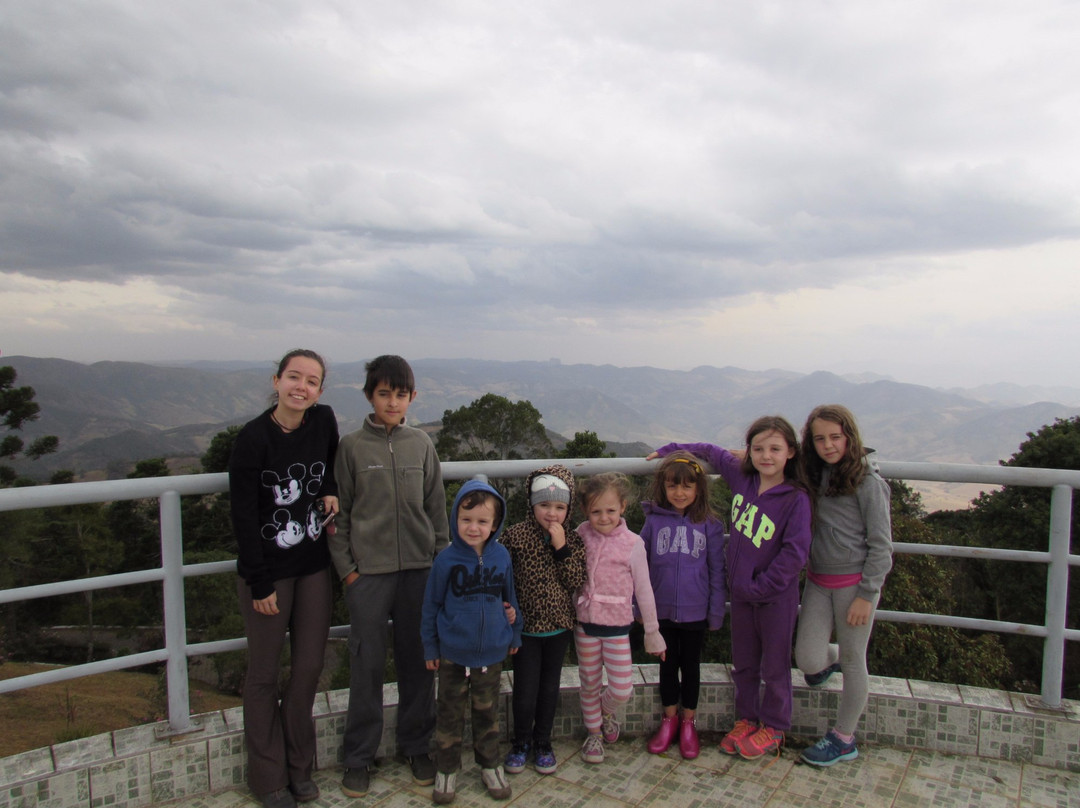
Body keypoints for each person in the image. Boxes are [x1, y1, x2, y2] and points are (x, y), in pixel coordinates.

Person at [649, 415, 811, 760]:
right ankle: (747, 719)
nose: (766, 456)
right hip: (741, 596)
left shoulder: (795, 499)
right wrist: (670, 450)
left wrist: (761, 586)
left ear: (791, 453)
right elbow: (710, 450)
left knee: (775, 665)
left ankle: (775, 726)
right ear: (749, 452)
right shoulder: (742, 478)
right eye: (758, 448)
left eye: (775, 449)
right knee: (745, 663)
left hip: (775, 599)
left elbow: (795, 552)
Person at [329, 355, 450, 797]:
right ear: (369, 396)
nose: (392, 401)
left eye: (400, 394)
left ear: (412, 397)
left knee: (420, 663)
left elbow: (437, 511)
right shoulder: (352, 447)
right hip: (369, 577)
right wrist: (349, 573)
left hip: (420, 573)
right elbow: (338, 516)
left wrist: (439, 565)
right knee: (366, 667)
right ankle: (358, 757)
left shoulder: (422, 445)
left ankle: (418, 747)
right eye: (384, 393)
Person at [229, 349, 340, 808]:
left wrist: (330, 488)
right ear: (276, 381)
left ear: (320, 390)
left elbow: (330, 466)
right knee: (264, 674)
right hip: (269, 574)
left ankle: (300, 767)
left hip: (314, 566)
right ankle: (268, 777)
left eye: (311, 381)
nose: (302, 387)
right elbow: (243, 517)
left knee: (309, 667)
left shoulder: (324, 421)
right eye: (294, 377)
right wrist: (259, 584)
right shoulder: (252, 439)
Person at [795, 404, 893, 767]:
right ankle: (830, 657)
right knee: (807, 660)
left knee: (855, 661)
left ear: (850, 437)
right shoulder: (813, 472)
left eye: (835, 437)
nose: (828, 445)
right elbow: (771, 453)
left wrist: (868, 595)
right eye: (820, 438)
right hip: (818, 582)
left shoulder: (869, 482)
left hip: (855, 586)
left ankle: (843, 738)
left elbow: (882, 546)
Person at [421, 479, 522, 804]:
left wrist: (514, 632)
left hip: (492, 653)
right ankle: (447, 769)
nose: (473, 528)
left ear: (495, 523)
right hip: (452, 654)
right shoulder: (446, 560)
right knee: (449, 713)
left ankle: (489, 765)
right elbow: (431, 606)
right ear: (455, 519)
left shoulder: (501, 556)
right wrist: (431, 646)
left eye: (482, 521)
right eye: (466, 520)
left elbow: (510, 599)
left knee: (487, 713)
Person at [499, 465, 588, 775]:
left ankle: (543, 742)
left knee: (549, 688)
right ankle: (520, 742)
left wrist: (561, 547)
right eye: (544, 505)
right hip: (524, 630)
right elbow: (502, 578)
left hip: (559, 627)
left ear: (569, 508)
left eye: (560, 507)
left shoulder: (573, 540)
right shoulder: (515, 536)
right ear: (531, 504)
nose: (552, 513)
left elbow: (575, 579)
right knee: (524, 689)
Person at [574, 472, 666, 764]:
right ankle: (594, 734)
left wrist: (652, 631)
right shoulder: (580, 534)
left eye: (610, 510)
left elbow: (644, 589)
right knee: (588, 681)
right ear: (586, 511)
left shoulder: (632, 543)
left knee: (622, 688)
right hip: (584, 625)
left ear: (623, 507)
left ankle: (606, 712)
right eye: (596, 511)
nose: (603, 518)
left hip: (616, 628)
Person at [640, 451, 726, 760]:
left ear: (699, 489)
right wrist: (640, 610)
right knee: (666, 667)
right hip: (660, 613)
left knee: (691, 669)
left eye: (687, 486)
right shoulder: (651, 523)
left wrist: (716, 611)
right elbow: (639, 569)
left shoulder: (710, 526)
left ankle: (688, 723)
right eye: (673, 486)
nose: (679, 493)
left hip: (695, 613)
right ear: (662, 487)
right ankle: (669, 720)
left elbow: (717, 571)